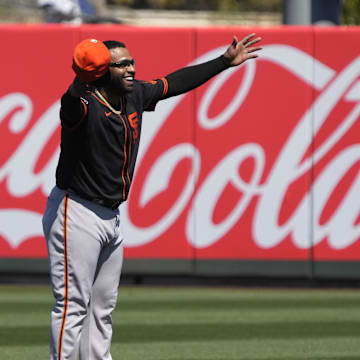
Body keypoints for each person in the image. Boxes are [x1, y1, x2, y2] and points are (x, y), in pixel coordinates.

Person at [42, 34, 262, 360]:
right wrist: (81, 76)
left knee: (103, 306)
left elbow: (174, 82)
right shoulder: (84, 104)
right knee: (72, 304)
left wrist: (224, 62)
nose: (131, 68)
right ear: (101, 71)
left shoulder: (134, 95)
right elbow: (69, 102)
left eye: (131, 61)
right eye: (121, 64)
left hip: (111, 216)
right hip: (76, 210)